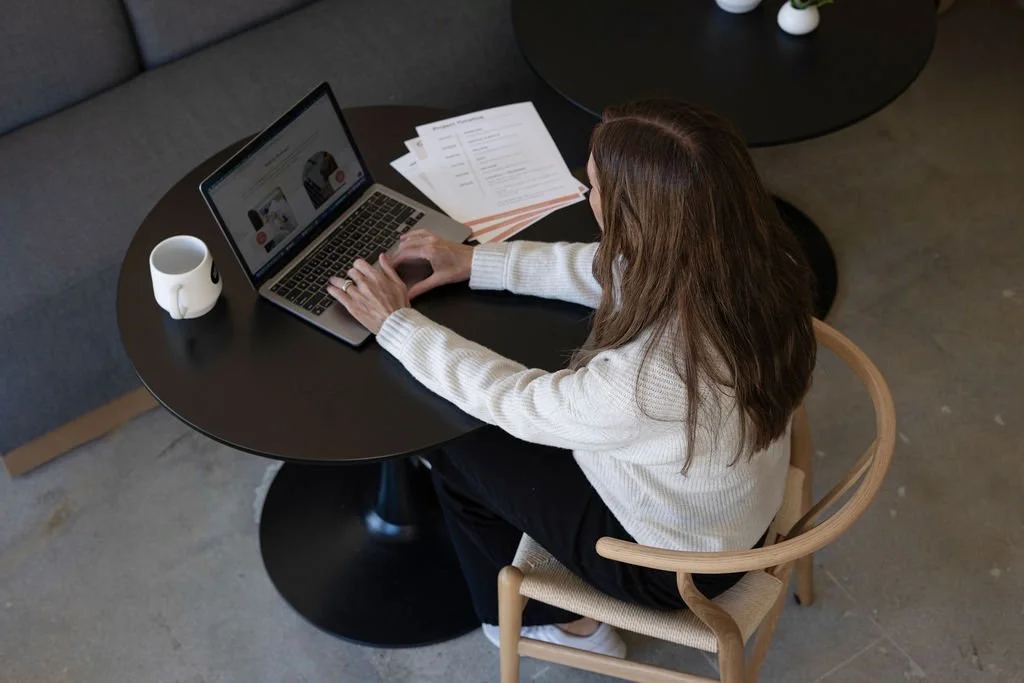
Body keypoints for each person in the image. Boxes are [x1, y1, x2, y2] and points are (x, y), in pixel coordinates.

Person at [325, 99, 816, 657]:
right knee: (472, 427)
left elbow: (513, 401)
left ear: (643, 218)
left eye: (596, 186)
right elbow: (614, 269)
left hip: (673, 566)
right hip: (729, 501)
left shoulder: (650, 378)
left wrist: (396, 324)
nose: (589, 197)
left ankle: (566, 624)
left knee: (455, 440)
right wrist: (477, 262)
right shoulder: (760, 260)